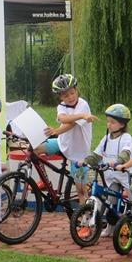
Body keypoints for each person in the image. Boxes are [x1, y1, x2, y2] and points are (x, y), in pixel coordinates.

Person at [36, 74, 97, 204]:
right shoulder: (62, 106)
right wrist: (83, 116)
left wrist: (57, 130)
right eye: (65, 95)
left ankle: (85, 221)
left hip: (79, 154)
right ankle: (43, 179)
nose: (70, 97)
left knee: (81, 191)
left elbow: (72, 124)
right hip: (61, 143)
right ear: (60, 97)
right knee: (34, 150)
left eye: (72, 93)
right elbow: (63, 119)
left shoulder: (82, 104)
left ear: (76, 90)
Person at [81, 104, 132, 237]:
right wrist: (86, 161)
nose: (108, 125)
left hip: (126, 176)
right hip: (111, 177)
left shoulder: (126, 138)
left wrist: (117, 161)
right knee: (111, 201)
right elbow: (97, 154)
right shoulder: (106, 138)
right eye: (108, 121)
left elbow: (126, 153)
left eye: (112, 122)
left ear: (122, 124)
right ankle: (110, 227)